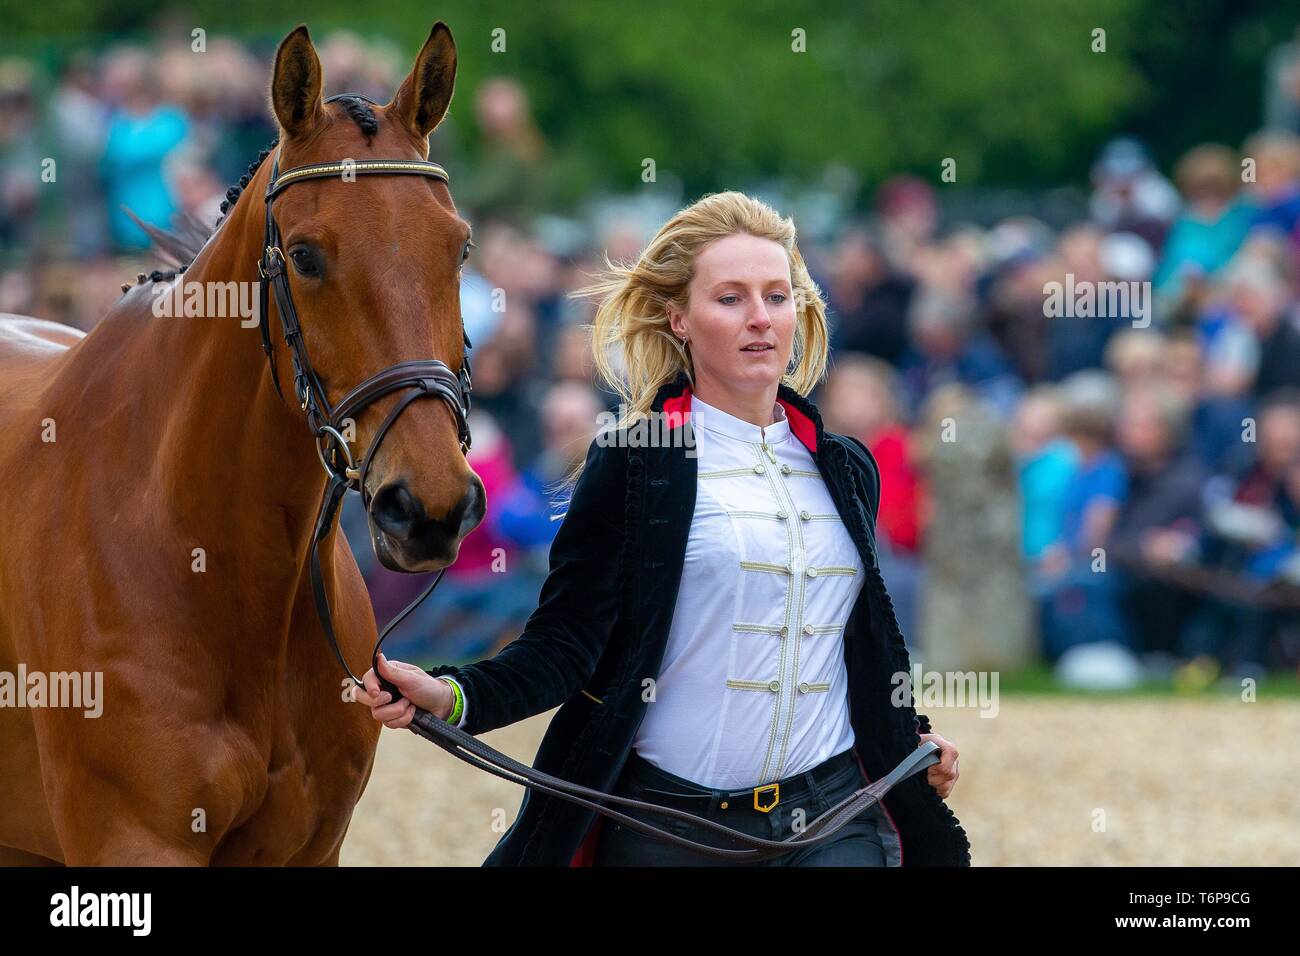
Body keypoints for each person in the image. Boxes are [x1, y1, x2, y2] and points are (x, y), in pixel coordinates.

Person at [352, 191, 969, 867]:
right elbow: (565, 643)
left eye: (777, 295)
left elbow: (865, 637)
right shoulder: (636, 461)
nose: (760, 318)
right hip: (667, 826)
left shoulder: (847, 466)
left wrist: (910, 738)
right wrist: (454, 696)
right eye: (730, 299)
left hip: (832, 816)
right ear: (678, 316)